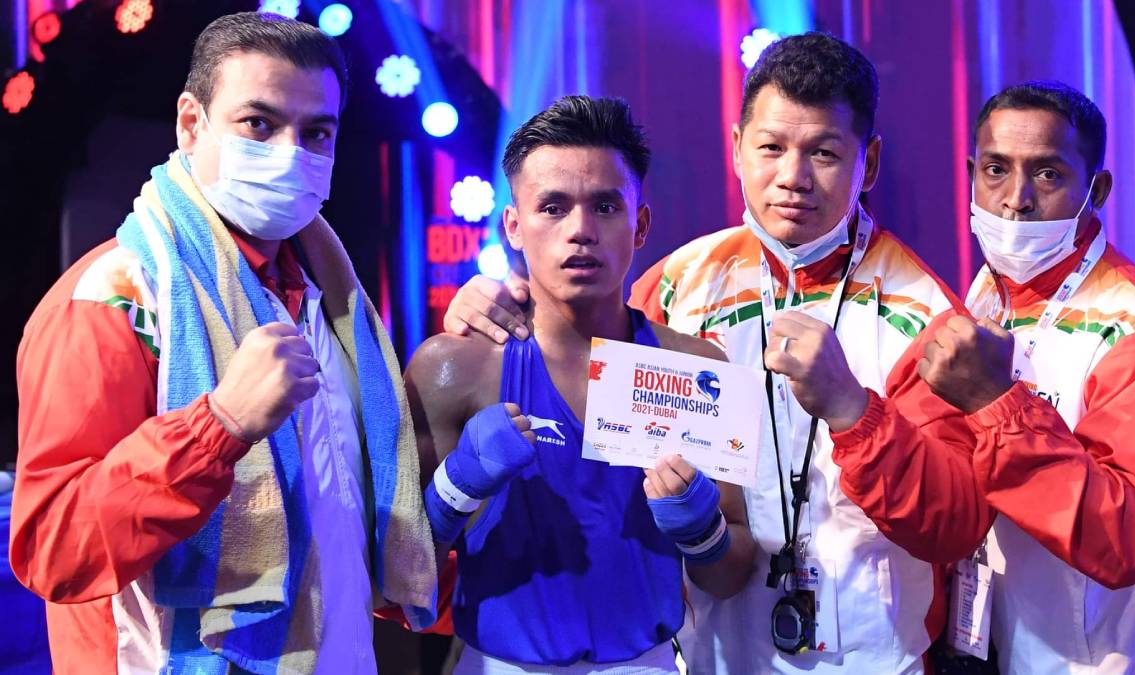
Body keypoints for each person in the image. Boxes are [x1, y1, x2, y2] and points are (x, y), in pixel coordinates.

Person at [443, 34, 988, 674]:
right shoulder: (678, 282)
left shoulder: (928, 313)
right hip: (709, 650)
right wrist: (492, 308)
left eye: (824, 153)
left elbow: (956, 526)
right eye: (771, 148)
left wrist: (853, 412)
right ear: (736, 149)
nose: (793, 177)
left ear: (866, 164)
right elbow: (565, 356)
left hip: (868, 652)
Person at [9, 12, 435, 673]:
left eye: (316, 132)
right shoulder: (116, 297)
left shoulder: (334, 301)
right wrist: (218, 425)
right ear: (190, 124)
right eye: (259, 124)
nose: (292, 152)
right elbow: (53, 548)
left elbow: (344, 524)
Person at [406, 95, 756, 673]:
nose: (580, 230)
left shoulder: (699, 370)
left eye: (605, 206)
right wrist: (454, 489)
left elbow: (731, 575)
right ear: (514, 227)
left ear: (640, 223)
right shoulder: (454, 367)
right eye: (553, 207)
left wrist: (704, 533)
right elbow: (394, 573)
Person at [904, 80, 1135, 674]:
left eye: (1047, 174)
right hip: (995, 641)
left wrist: (997, 404)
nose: (1016, 199)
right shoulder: (989, 290)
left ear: (1098, 189)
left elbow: (1131, 534)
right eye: (995, 169)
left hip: (1099, 657)